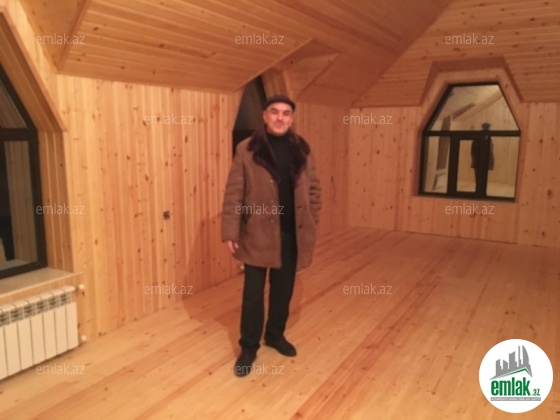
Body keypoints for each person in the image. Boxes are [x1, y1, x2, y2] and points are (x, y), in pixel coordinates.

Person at [221, 95, 321, 377]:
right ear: (264, 116)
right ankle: (249, 346)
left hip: (292, 234)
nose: (280, 117)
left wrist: (312, 219)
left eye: (286, 113)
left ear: (291, 118)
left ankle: (275, 335)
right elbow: (233, 194)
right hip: (256, 234)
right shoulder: (247, 149)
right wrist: (230, 230)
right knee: (253, 294)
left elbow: (314, 189)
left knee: (283, 290)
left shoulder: (303, 149)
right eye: (274, 112)